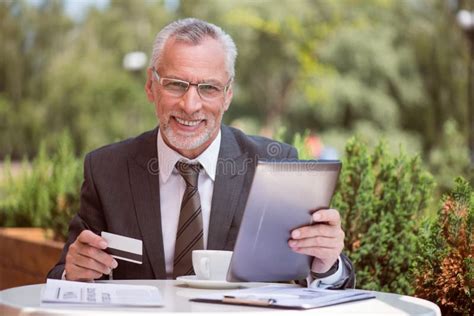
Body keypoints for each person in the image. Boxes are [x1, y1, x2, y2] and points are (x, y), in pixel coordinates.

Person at [47, 18, 355, 289]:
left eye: (208, 88)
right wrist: (74, 272)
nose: (190, 105)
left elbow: (318, 279)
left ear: (228, 95)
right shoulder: (107, 170)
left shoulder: (273, 165)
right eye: (176, 85)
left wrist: (325, 262)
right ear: (151, 88)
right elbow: (65, 273)